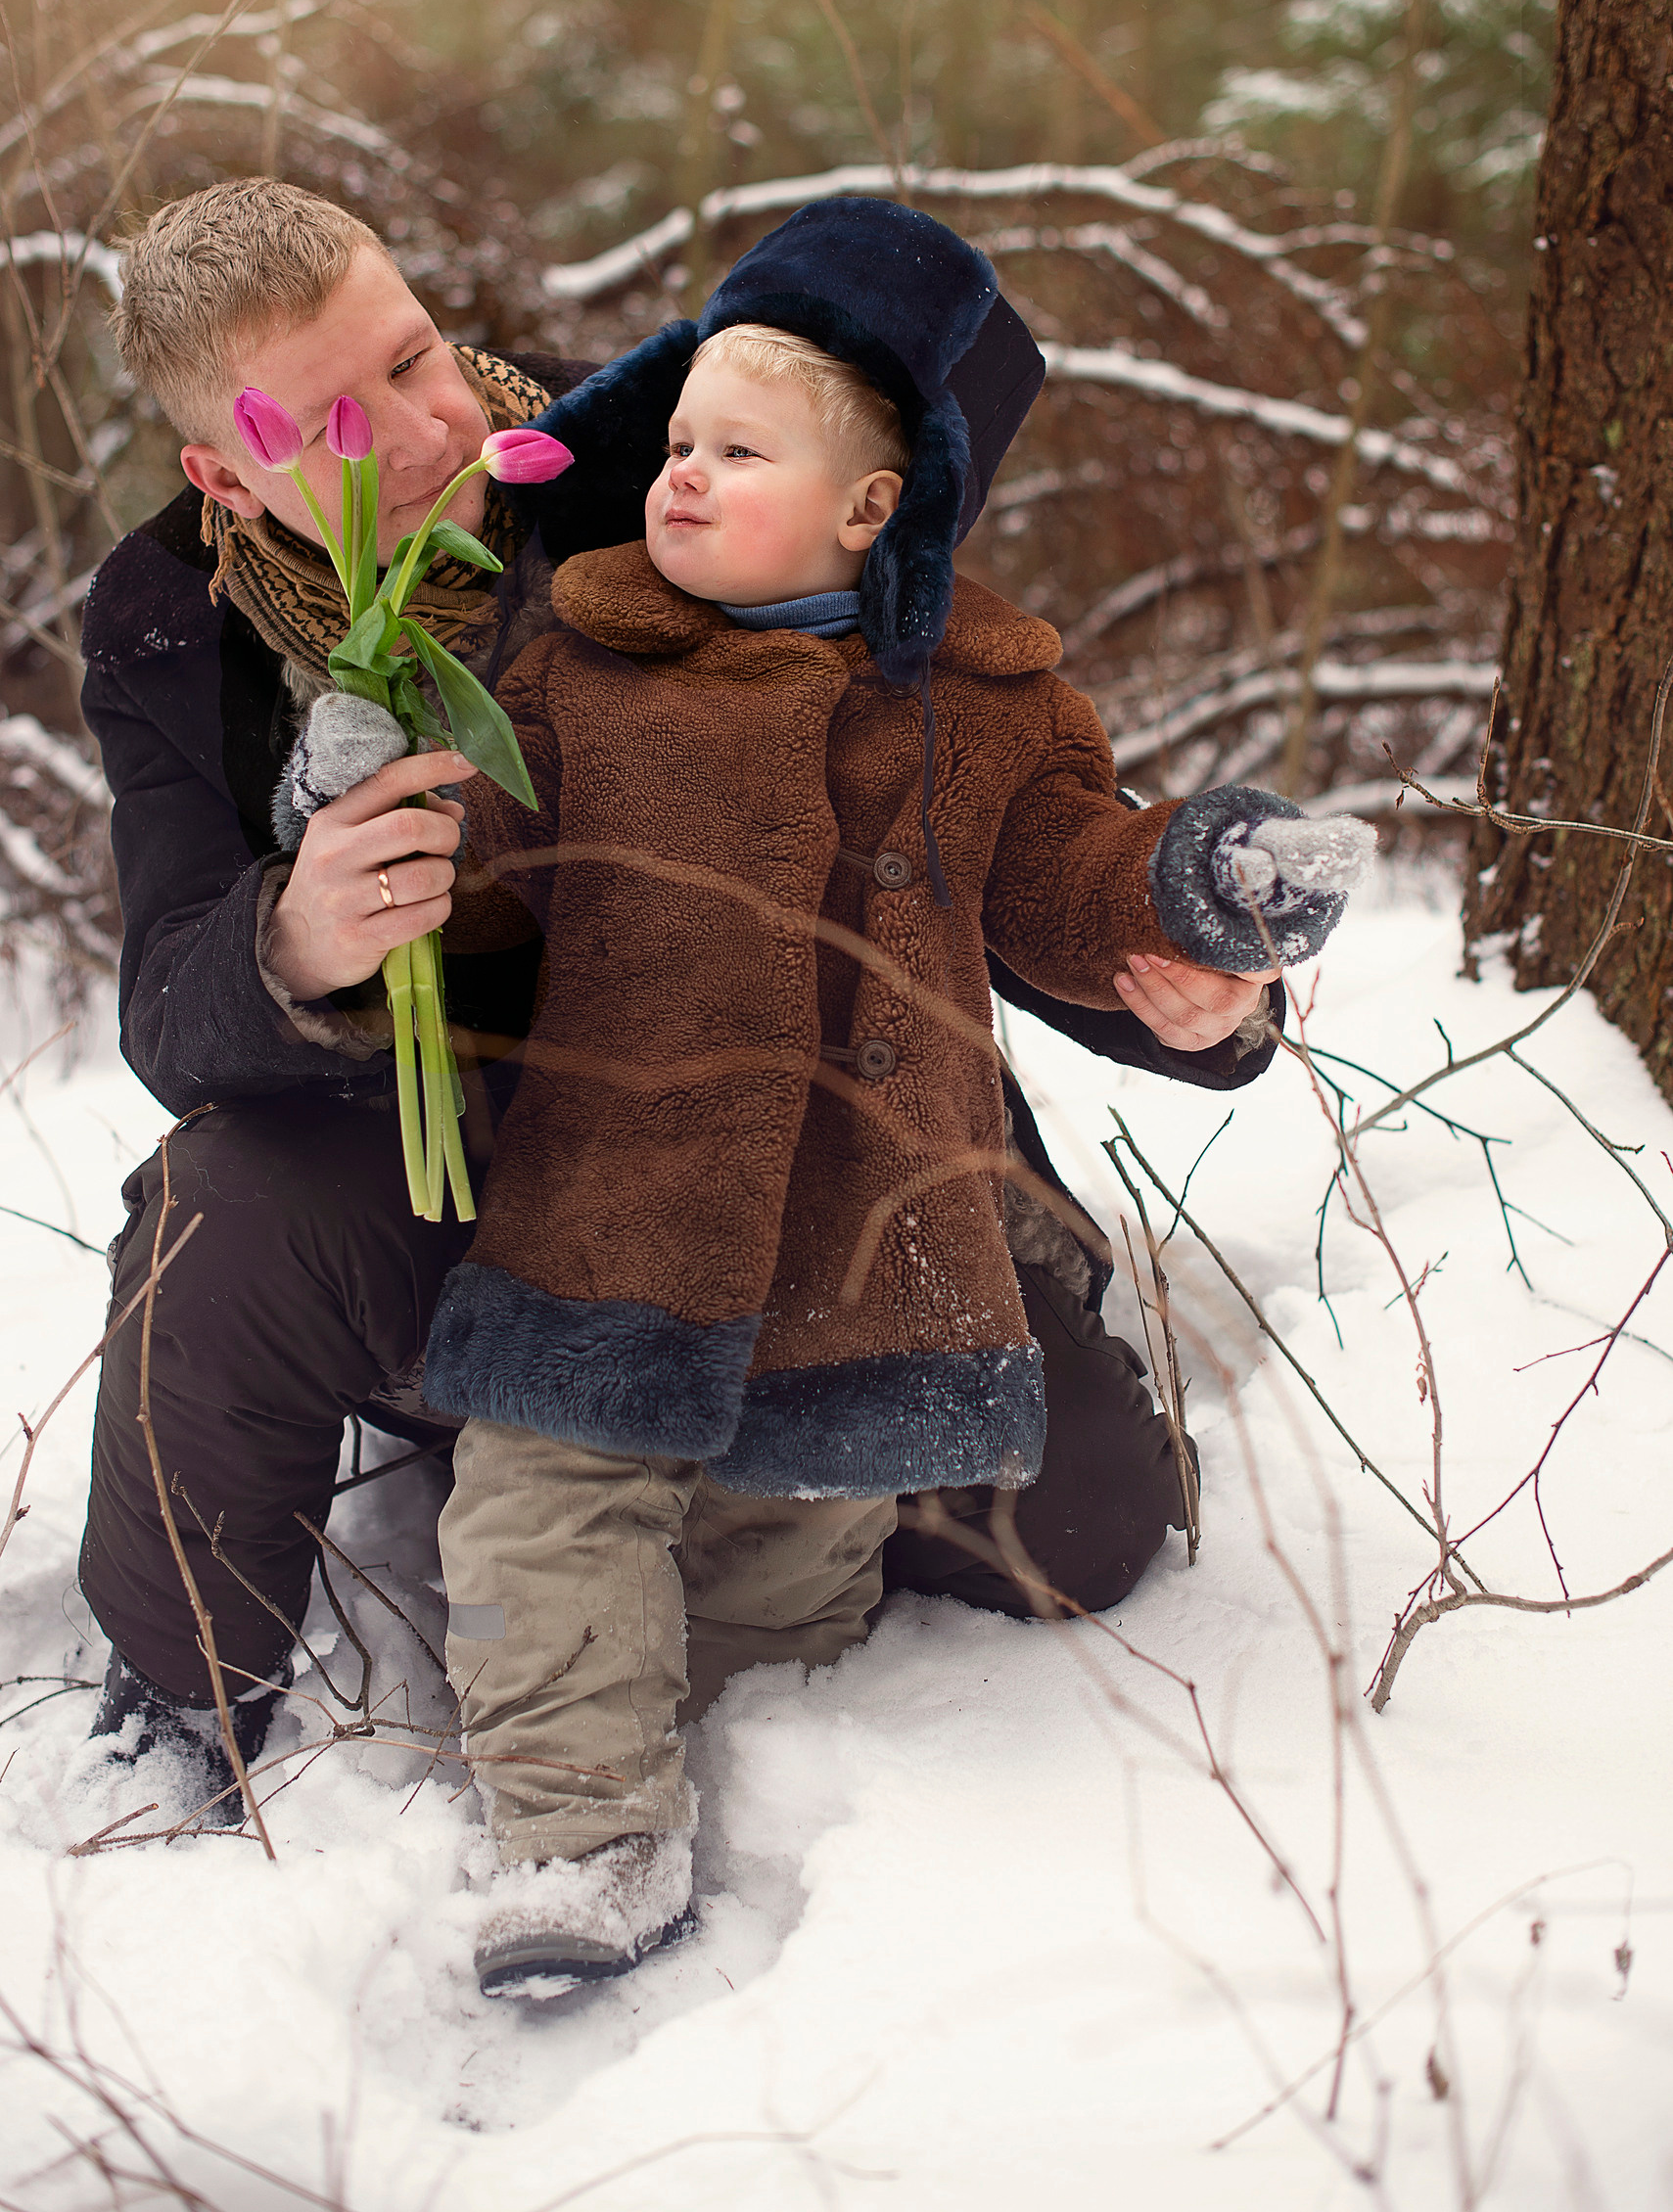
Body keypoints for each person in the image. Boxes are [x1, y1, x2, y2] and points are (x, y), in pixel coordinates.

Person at [71, 181, 1292, 1823]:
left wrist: (1184, 993)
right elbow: (165, 1006)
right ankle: (179, 1719)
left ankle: (734, 1458)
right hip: (444, 1175)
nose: (426, 429)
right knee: (218, 1210)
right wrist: (289, 945)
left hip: (793, 1136)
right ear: (224, 474)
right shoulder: (171, 621)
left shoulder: (651, 469)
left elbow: (940, 797)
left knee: (1076, 1533)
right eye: (338, 423)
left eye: (421, 356)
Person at [355, 196, 1370, 1997]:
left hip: (866, 1238)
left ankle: (745, 1737)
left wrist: (1201, 894)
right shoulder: (580, 665)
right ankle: (581, 1836)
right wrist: (389, 807)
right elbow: (489, 861)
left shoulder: (983, 710)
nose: (673, 477)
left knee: (790, 1551)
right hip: (610, 1207)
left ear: (874, 504)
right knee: (539, 1507)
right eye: (673, 439)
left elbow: (1067, 878)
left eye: (734, 454)